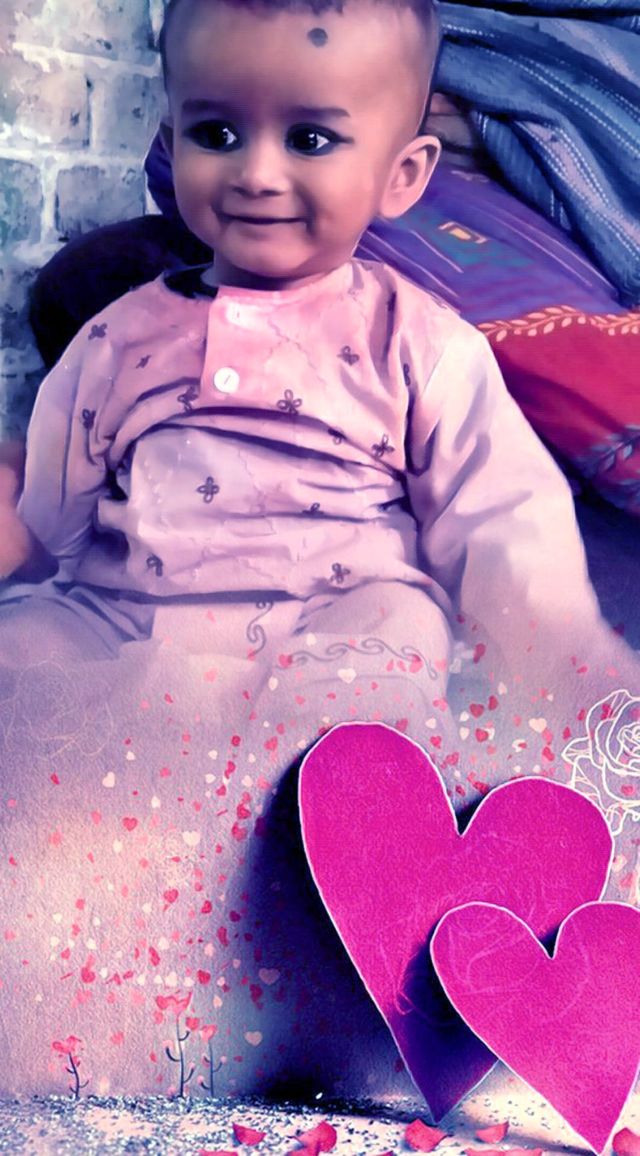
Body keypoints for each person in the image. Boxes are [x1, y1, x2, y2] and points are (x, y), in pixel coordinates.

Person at [0, 0, 636, 1102]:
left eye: (308, 138)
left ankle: (351, 937)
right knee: (27, 659)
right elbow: (53, 506)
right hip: (133, 599)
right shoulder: (119, 337)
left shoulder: (416, 342)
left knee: (368, 695)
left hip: (338, 599)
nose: (255, 172)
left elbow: (500, 515)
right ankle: (86, 922)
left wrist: (562, 654)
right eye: (216, 132)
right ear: (172, 140)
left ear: (402, 174)